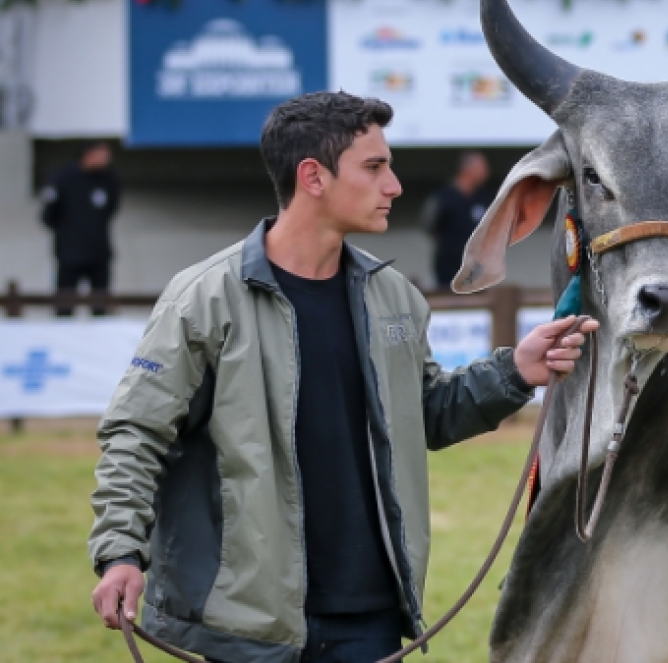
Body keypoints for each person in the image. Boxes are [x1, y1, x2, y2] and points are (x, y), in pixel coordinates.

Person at [88, 91, 596, 662]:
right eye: (374, 167)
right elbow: (136, 432)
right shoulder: (203, 299)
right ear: (313, 177)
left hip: (371, 618)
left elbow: (427, 411)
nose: (394, 186)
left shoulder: (394, 296)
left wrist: (515, 370)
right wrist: (119, 553)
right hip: (249, 625)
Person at [41, 140, 121, 316]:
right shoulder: (63, 178)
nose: (107, 159)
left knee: (100, 304)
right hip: (69, 254)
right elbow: (48, 215)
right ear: (89, 154)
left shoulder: (109, 179)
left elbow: (110, 210)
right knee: (65, 305)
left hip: (99, 253)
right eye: (103, 154)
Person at [421, 150, 493, 290]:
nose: (487, 172)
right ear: (467, 169)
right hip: (449, 268)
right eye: (482, 167)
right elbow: (429, 224)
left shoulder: (484, 199)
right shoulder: (444, 198)